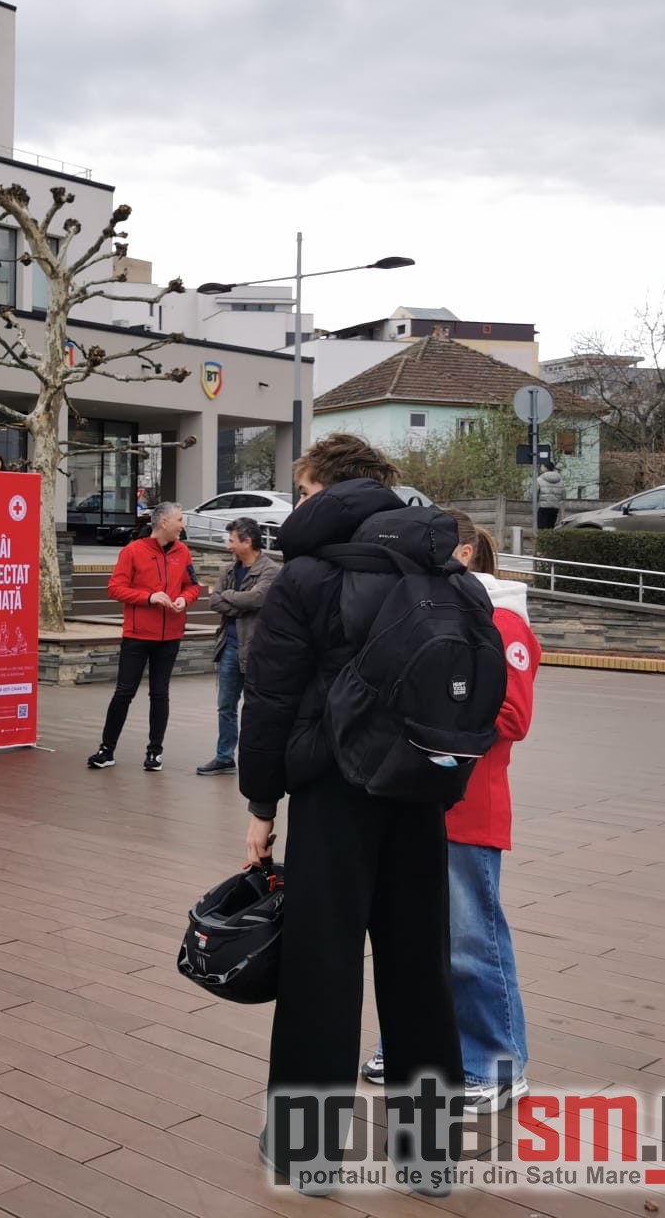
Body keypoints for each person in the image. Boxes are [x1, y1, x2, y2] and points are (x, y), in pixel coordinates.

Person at [238, 434, 465, 1192]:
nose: (298, 504)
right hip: (420, 789)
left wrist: (262, 804)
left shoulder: (306, 576)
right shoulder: (441, 568)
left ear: (325, 491)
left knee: (321, 967)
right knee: (420, 969)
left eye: (303, 491)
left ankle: (306, 1154)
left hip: (333, 789)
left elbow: (270, 700)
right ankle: (430, 1156)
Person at [364, 510, 538, 1114]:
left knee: (471, 942)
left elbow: (513, 716)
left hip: (469, 808)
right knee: (412, 935)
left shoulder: (504, 620)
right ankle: (407, 1046)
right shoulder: (429, 609)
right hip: (419, 801)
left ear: (461, 554)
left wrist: (431, 715)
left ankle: (496, 1063)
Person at [88, 502, 201, 773]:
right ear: (163, 522)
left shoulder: (183, 552)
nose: (183, 524)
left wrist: (184, 600)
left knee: (160, 694)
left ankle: (155, 752)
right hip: (137, 635)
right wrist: (149, 598)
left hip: (170, 636)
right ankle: (106, 750)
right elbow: (115, 588)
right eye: (179, 519)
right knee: (124, 692)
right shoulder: (133, 551)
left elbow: (193, 586)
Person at [196, 516, 280, 777]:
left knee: (256, 708)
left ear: (247, 541)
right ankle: (224, 758)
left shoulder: (271, 570)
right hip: (229, 648)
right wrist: (239, 603)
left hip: (257, 651)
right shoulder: (229, 570)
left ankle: (258, 758)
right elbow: (214, 601)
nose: (228, 545)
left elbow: (257, 599)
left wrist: (229, 597)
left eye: (232, 540)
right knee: (226, 707)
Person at [534, 464, 565, 531]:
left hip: (543, 507)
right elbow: (563, 496)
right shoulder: (560, 480)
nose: (541, 467)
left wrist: (536, 503)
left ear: (546, 468)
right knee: (550, 528)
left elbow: (534, 494)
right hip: (555, 508)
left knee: (541, 529)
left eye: (542, 466)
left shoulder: (539, 479)